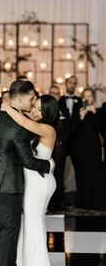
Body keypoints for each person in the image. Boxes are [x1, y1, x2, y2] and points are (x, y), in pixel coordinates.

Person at [0, 80, 54, 266]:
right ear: (19, 97)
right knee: (10, 228)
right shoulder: (20, 128)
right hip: (8, 184)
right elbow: (28, 161)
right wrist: (48, 165)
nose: (33, 102)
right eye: (32, 98)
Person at [1, 95, 60, 266]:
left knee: (33, 225)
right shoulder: (38, 124)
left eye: (39, 109)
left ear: (48, 113)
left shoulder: (47, 129)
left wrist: (7, 106)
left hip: (40, 183)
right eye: (34, 106)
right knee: (29, 224)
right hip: (34, 180)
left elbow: (23, 120)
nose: (34, 111)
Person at [74, 88, 104, 209]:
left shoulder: (98, 111)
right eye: (85, 96)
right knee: (83, 175)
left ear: (93, 98)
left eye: (90, 96)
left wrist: (95, 113)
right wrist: (81, 117)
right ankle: (83, 202)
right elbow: (73, 130)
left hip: (94, 148)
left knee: (95, 175)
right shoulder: (79, 112)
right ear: (83, 99)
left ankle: (96, 202)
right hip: (81, 149)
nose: (87, 98)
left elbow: (100, 128)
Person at [56, 76, 82, 209]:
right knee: (59, 171)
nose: (72, 85)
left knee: (80, 170)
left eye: (74, 83)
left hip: (77, 142)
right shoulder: (59, 100)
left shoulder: (81, 101)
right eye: (70, 82)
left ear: (76, 85)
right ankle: (60, 201)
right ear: (66, 84)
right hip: (62, 142)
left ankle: (80, 200)